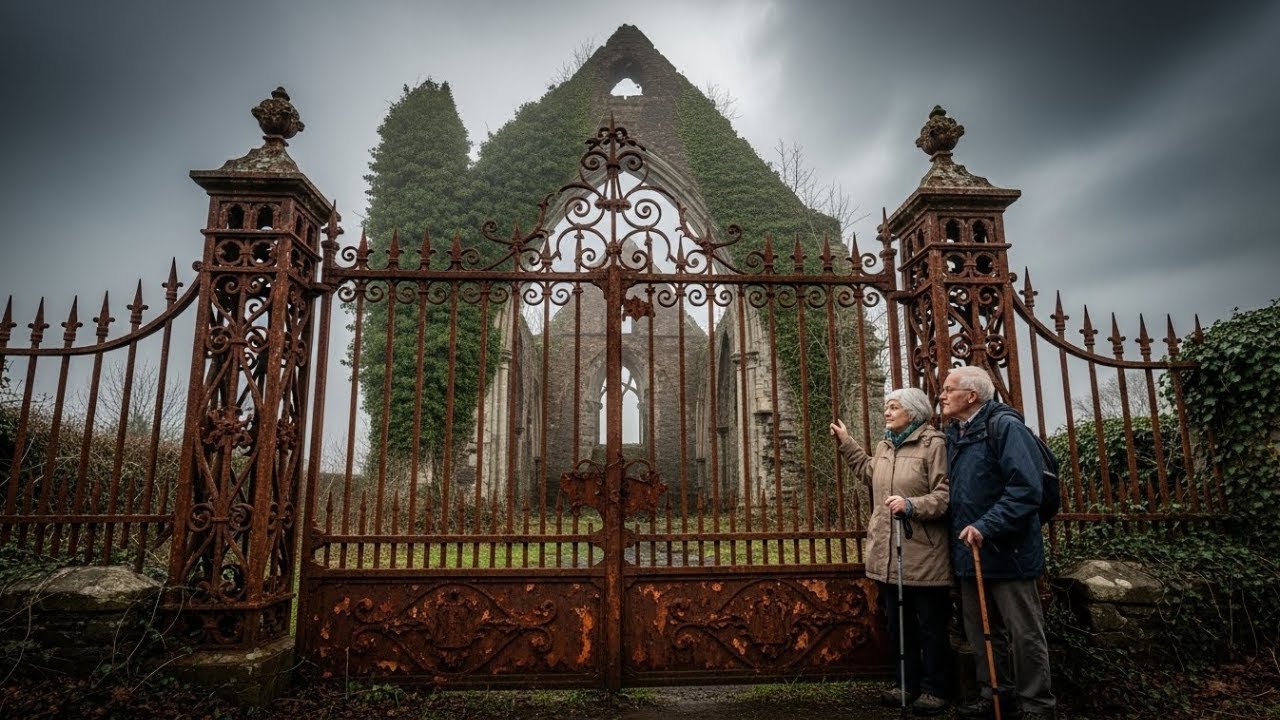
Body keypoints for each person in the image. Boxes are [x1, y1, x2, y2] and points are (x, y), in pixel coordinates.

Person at [940, 365, 1056, 719]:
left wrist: (987, 526)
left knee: (1024, 633)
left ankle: (1037, 705)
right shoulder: (954, 434)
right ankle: (995, 695)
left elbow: (1026, 490)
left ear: (971, 396)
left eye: (948, 389)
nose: (941, 395)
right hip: (969, 551)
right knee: (980, 632)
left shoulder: (1005, 427)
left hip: (1009, 551)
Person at [830, 388, 951, 716]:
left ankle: (935, 689)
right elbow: (870, 474)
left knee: (930, 626)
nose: (887, 412)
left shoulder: (934, 445)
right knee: (899, 624)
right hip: (888, 551)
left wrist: (911, 505)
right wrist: (847, 443)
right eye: (886, 406)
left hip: (923, 554)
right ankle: (905, 684)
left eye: (894, 407)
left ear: (913, 412)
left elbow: (946, 494)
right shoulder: (886, 445)